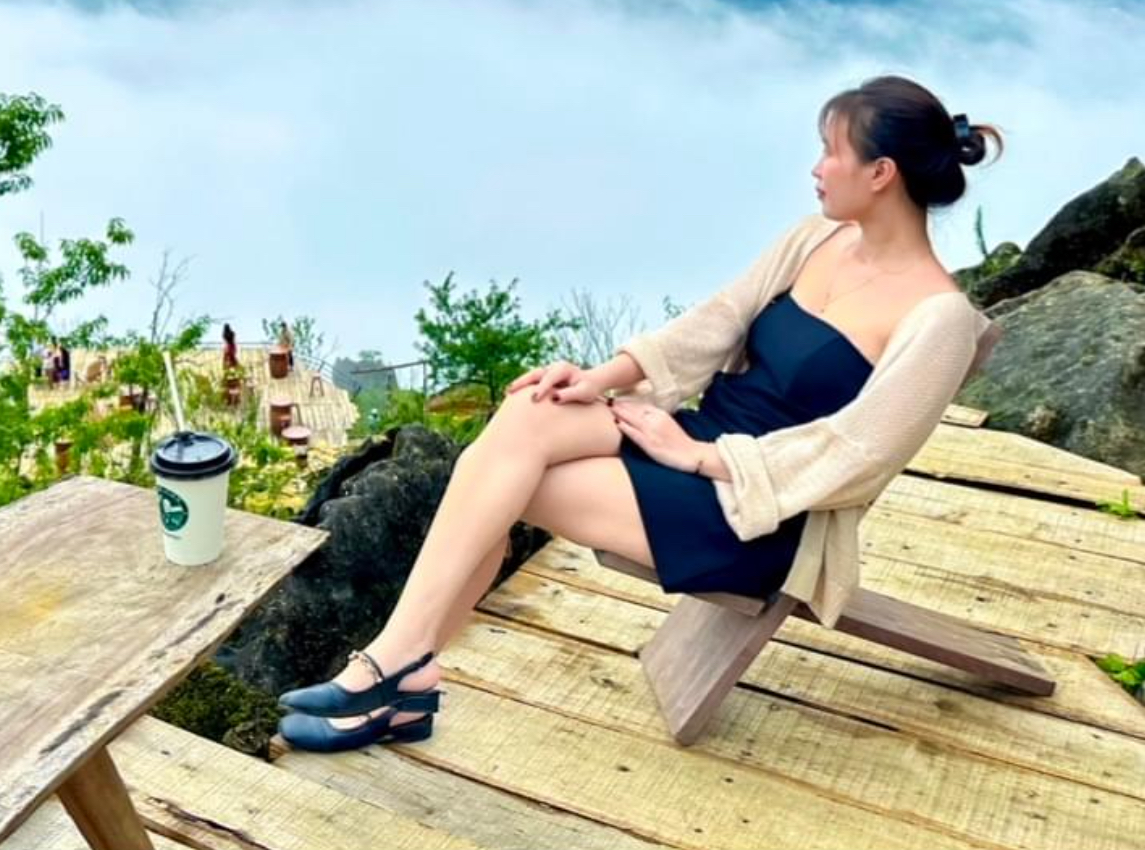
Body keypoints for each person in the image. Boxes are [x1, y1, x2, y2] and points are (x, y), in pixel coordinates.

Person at [277, 74, 1004, 752]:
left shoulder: (937, 317)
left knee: (504, 483)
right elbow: (715, 322)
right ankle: (401, 664)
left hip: (759, 510)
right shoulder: (818, 237)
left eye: (831, 152)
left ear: (881, 173)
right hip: (696, 437)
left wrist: (699, 457)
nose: (816, 168)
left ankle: (394, 676)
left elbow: (856, 456)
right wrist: (597, 379)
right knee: (532, 410)